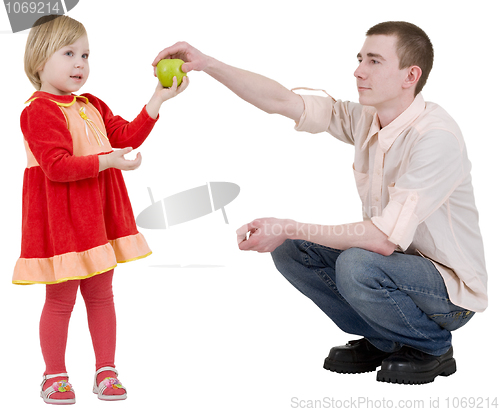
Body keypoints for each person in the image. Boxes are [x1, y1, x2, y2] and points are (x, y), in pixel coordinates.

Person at [152, 21, 487, 385]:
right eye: (360, 59)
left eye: (374, 61)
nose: (358, 70)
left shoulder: (435, 138)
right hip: (394, 270)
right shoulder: (367, 118)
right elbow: (282, 101)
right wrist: (207, 63)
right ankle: (386, 339)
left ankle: (432, 347)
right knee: (292, 248)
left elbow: (382, 240)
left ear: (410, 75)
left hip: (448, 294)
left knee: (357, 263)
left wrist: (287, 224)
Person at [14, 15, 188, 404]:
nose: (81, 63)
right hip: (62, 220)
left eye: (86, 55)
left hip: (96, 218)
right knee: (60, 299)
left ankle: (105, 369)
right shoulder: (38, 111)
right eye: (70, 53)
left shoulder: (91, 104)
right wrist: (108, 161)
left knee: (101, 294)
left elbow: (125, 136)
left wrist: (158, 98)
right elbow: (56, 167)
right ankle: (54, 374)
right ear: (40, 60)